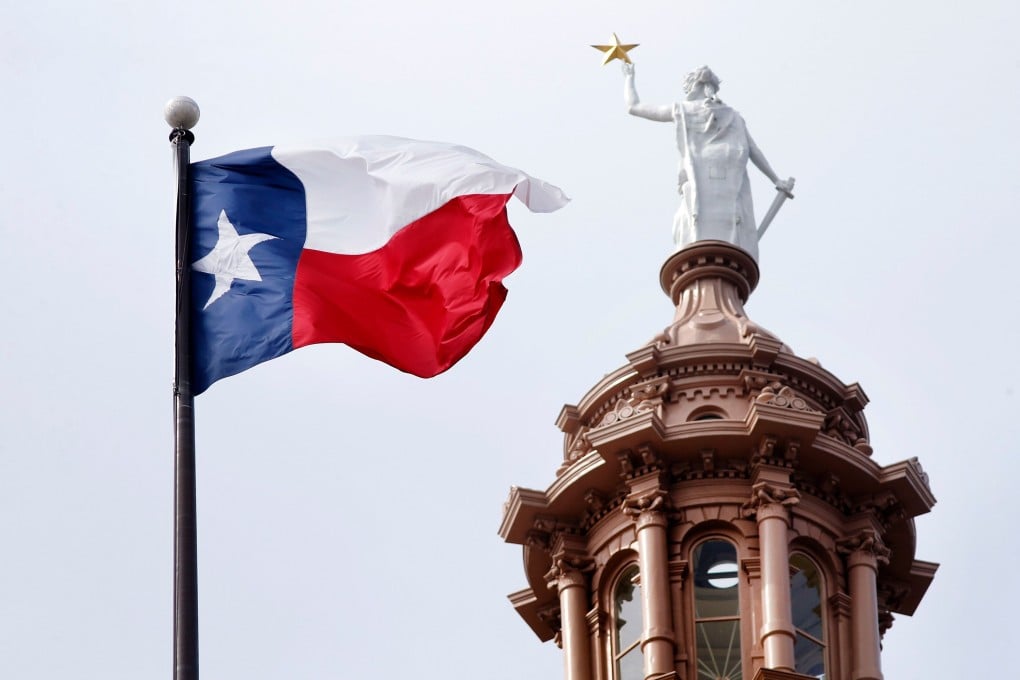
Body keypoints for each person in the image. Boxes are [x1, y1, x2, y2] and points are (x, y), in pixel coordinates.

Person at [622, 63, 792, 261]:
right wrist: (775, 179)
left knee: (697, 218)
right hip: (717, 177)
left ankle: (710, 253)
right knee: (708, 219)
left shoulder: (686, 110)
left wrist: (629, 78)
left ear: (694, 85)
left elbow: (634, 107)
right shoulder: (731, 115)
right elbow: (753, 150)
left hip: (705, 176)